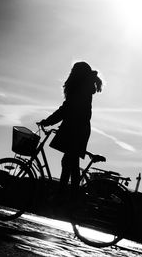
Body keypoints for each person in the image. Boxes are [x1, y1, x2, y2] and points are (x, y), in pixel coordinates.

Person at [38, 61, 103, 203]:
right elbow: (68, 109)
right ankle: (67, 199)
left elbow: (66, 109)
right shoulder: (85, 87)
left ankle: (67, 199)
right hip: (78, 129)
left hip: (76, 130)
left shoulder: (80, 88)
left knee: (69, 162)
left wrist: (47, 122)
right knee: (70, 163)